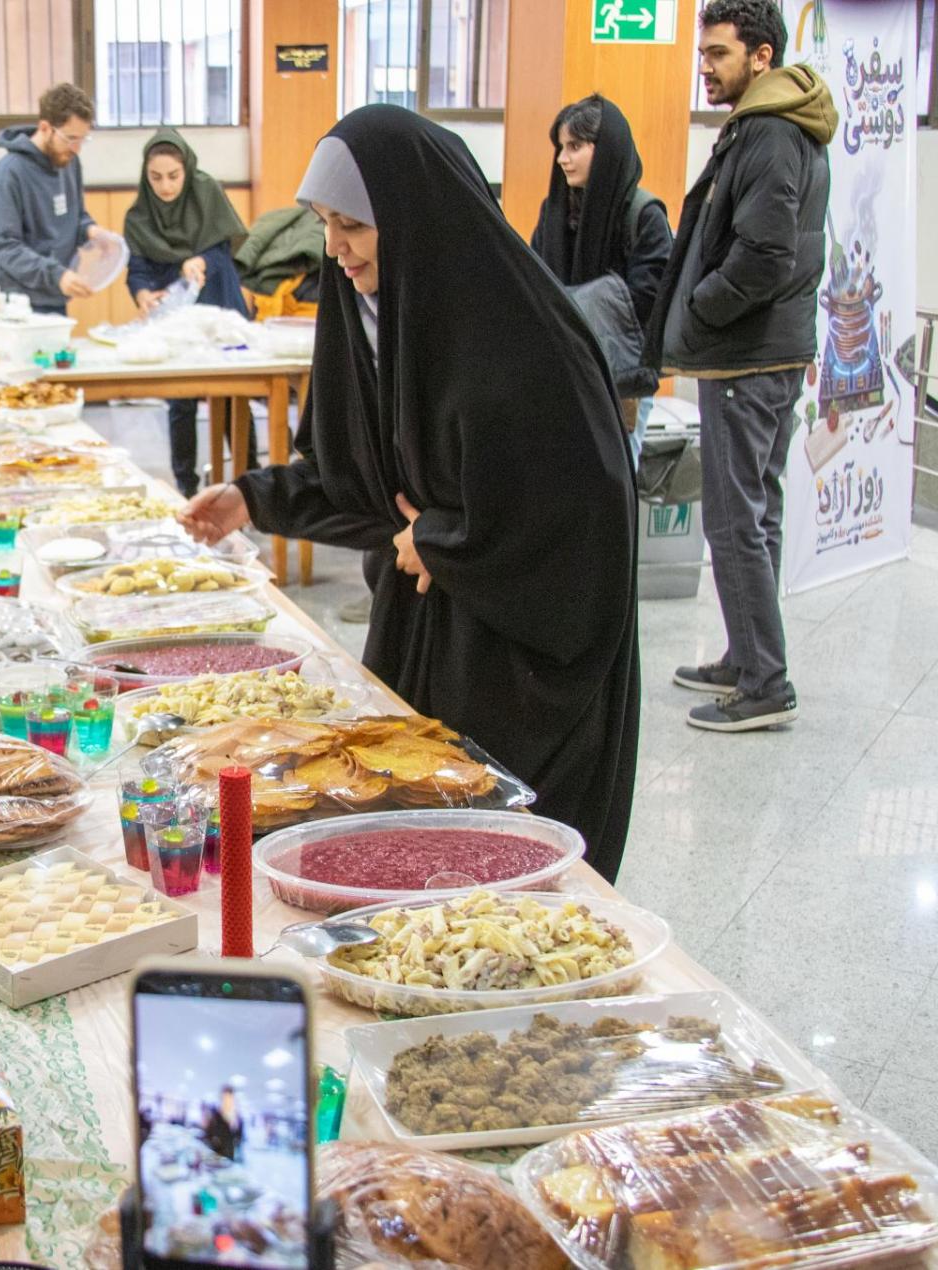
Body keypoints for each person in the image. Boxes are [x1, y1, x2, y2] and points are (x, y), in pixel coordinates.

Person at [180, 106, 640, 882]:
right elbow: (368, 480)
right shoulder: (386, 316)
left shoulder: (525, 339)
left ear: (413, 218)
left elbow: (585, 520)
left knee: (503, 870)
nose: (334, 248)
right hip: (429, 628)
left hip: (517, 657)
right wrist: (255, 498)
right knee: (410, 845)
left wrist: (444, 543)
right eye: (325, 223)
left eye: (353, 225)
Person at [646, 0, 835, 733]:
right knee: (756, 514)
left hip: (746, 358)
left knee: (732, 521)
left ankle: (764, 682)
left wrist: (698, 311)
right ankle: (747, 654)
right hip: (768, 351)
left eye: (718, 53)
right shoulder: (783, 123)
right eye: (703, 53)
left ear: (761, 57)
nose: (705, 67)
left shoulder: (768, 131)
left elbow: (764, 254)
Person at [530, 94, 673, 468]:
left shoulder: (644, 214)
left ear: (606, 149)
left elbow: (650, 297)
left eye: (575, 147)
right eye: (561, 147)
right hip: (561, 376)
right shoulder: (554, 213)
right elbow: (533, 281)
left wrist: (574, 307)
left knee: (616, 475)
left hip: (619, 379)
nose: (563, 158)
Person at [123, 128, 253, 497]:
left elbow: (223, 249)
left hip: (218, 304)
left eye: (173, 176)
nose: (165, 186)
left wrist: (200, 260)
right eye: (156, 177)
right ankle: (186, 488)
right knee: (180, 400)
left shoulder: (206, 191)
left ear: (187, 170)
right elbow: (137, 268)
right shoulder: (139, 214)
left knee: (233, 396)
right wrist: (143, 293)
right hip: (176, 317)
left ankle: (250, 484)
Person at [0, 82, 117, 314]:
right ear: (45, 128)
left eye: (83, 140)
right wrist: (57, 275)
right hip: (15, 305)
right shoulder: (8, 175)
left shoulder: (69, 162)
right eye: (70, 138)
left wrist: (92, 231)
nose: (76, 148)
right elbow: (5, 246)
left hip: (54, 296)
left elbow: (75, 216)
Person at [202, 1088, 244, 1162]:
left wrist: (234, 1127)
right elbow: (208, 1135)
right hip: (215, 1155)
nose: (227, 1102)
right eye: (225, 1099)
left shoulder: (237, 1118)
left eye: (229, 1099)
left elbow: (239, 1138)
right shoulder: (215, 1116)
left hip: (229, 1156)